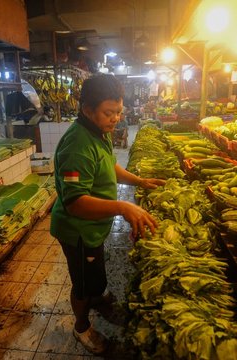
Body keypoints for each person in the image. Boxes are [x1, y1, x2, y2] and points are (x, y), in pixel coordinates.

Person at [50, 74, 165, 355]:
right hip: (77, 231)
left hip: (93, 228)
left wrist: (139, 181)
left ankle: (98, 298)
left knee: (96, 276)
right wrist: (122, 207)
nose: (115, 119)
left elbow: (110, 166)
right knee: (82, 285)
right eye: (108, 113)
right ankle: (81, 327)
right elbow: (75, 202)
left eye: (118, 112)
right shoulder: (77, 146)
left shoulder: (97, 132)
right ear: (87, 109)